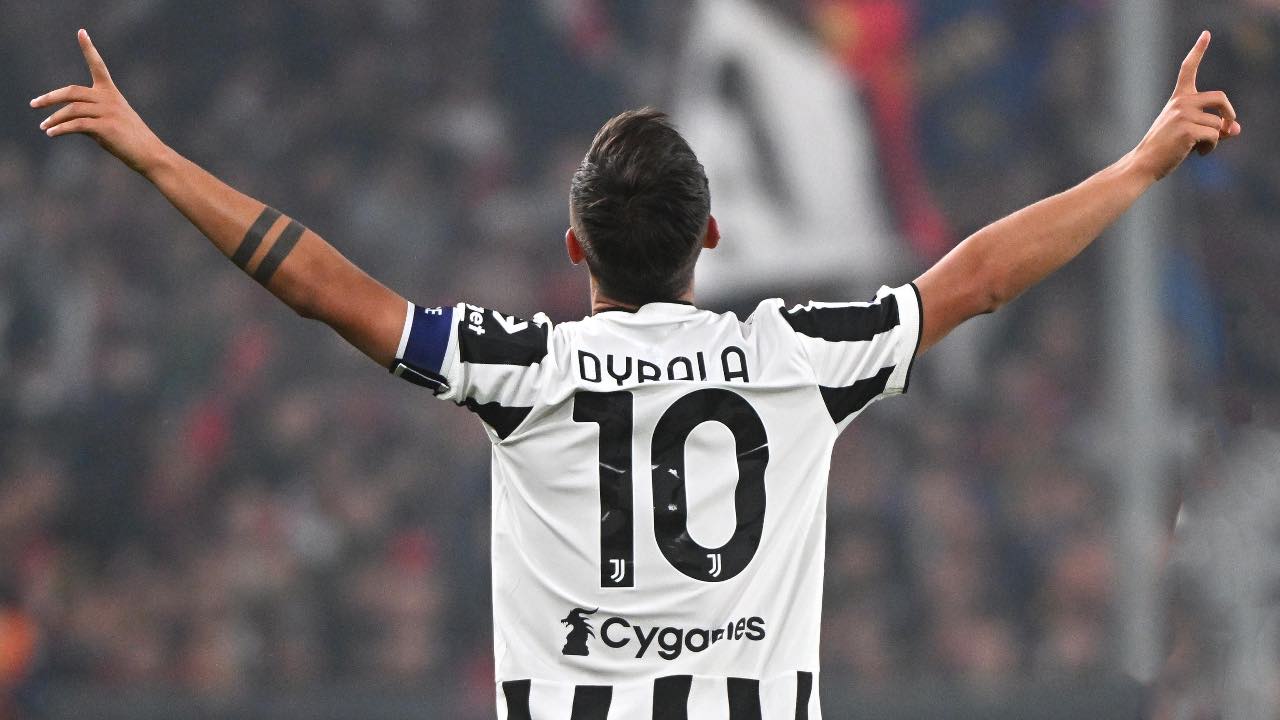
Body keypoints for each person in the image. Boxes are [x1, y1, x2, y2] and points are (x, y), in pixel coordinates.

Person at [31, 28, 1239, 719]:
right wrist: (1136, 163)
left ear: (574, 250)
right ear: (708, 238)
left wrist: (155, 155)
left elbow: (323, 288)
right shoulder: (796, 359)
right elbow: (973, 277)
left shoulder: (525, 371)